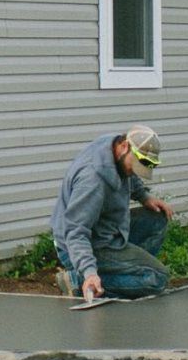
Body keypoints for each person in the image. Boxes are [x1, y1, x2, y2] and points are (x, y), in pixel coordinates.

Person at [50, 125, 173, 301]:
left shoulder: (113, 145)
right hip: (81, 245)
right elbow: (76, 232)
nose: (135, 172)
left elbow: (129, 174)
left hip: (108, 231)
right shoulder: (92, 181)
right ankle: (78, 281)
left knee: (156, 219)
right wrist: (89, 271)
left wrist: (144, 196)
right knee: (157, 279)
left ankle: (127, 274)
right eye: (136, 165)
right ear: (124, 147)